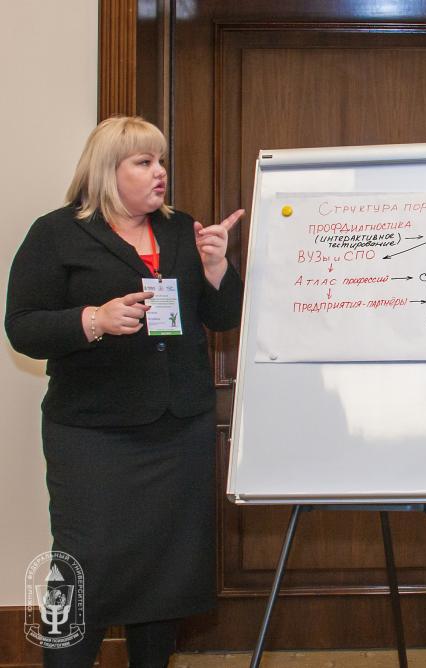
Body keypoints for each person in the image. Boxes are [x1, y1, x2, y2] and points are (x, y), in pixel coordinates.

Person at [5, 116, 245, 668]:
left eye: (161, 161)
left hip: (177, 429)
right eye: (144, 162)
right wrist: (94, 319)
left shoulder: (180, 230)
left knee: (164, 569)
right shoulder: (56, 233)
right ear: (108, 171)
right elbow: (23, 327)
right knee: (81, 568)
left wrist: (216, 267)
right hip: (92, 434)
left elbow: (223, 317)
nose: (160, 172)